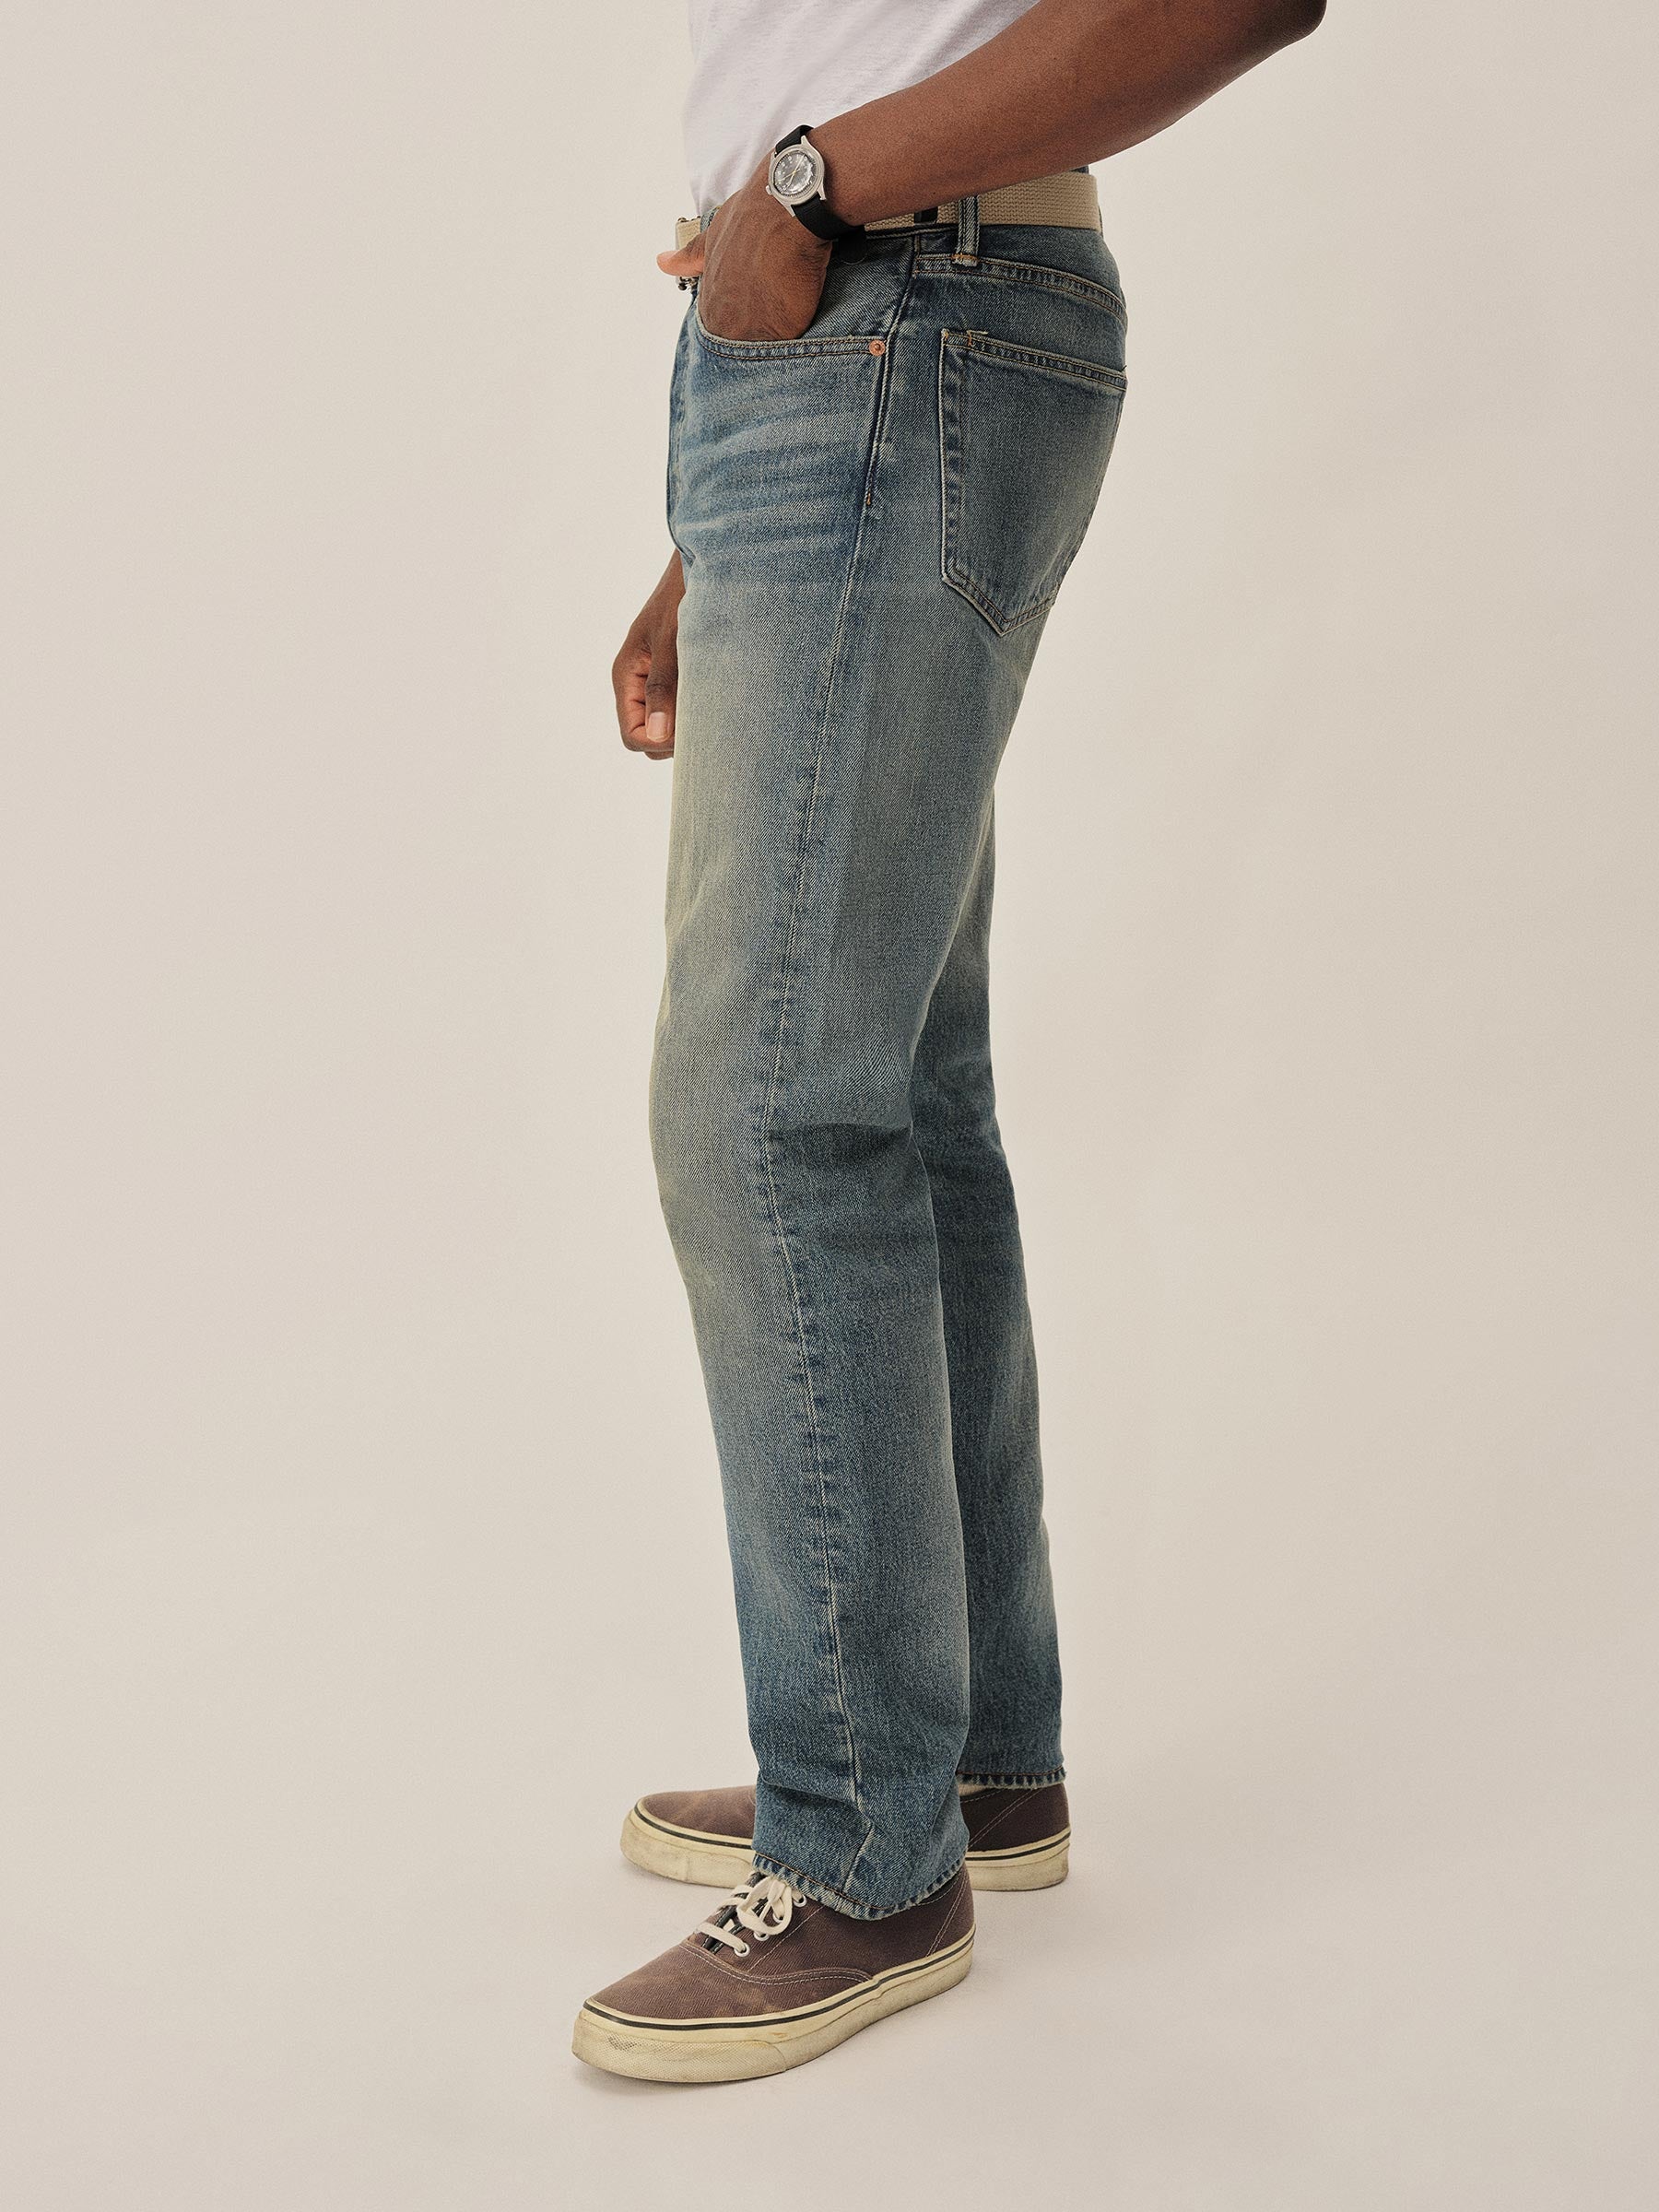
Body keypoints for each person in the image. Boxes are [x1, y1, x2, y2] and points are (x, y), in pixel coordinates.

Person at [575, 0, 1324, 2083]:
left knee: (763, 1113)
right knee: (893, 1090)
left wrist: (811, 193)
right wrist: (716, 528)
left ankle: (859, 1850)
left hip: (901, 304)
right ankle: (966, 1762)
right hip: (846, 346)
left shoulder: (856, 221)